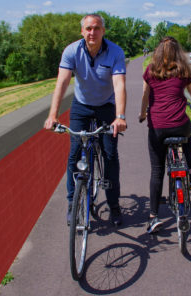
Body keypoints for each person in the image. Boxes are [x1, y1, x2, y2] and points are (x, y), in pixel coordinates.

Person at [44, 14, 127, 227]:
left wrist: (120, 116)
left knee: (110, 155)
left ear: (103, 31)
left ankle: (114, 206)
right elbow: (62, 83)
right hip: (81, 106)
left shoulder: (115, 52)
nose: (92, 32)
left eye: (97, 28)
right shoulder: (72, 51)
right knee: (74, 154)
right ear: (82, 31)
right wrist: (53, 115)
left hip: (107, 107)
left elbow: (119, 85)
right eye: (88, 28)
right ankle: (73, 203)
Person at [138, 36, 191, 234]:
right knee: (188, 135)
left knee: (157, 170)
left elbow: (145, 97)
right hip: (179, 126)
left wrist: (142, 114)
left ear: (157, 52)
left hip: (157, 127)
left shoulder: (150, 71)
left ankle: (153, 217)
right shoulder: (183, 71)